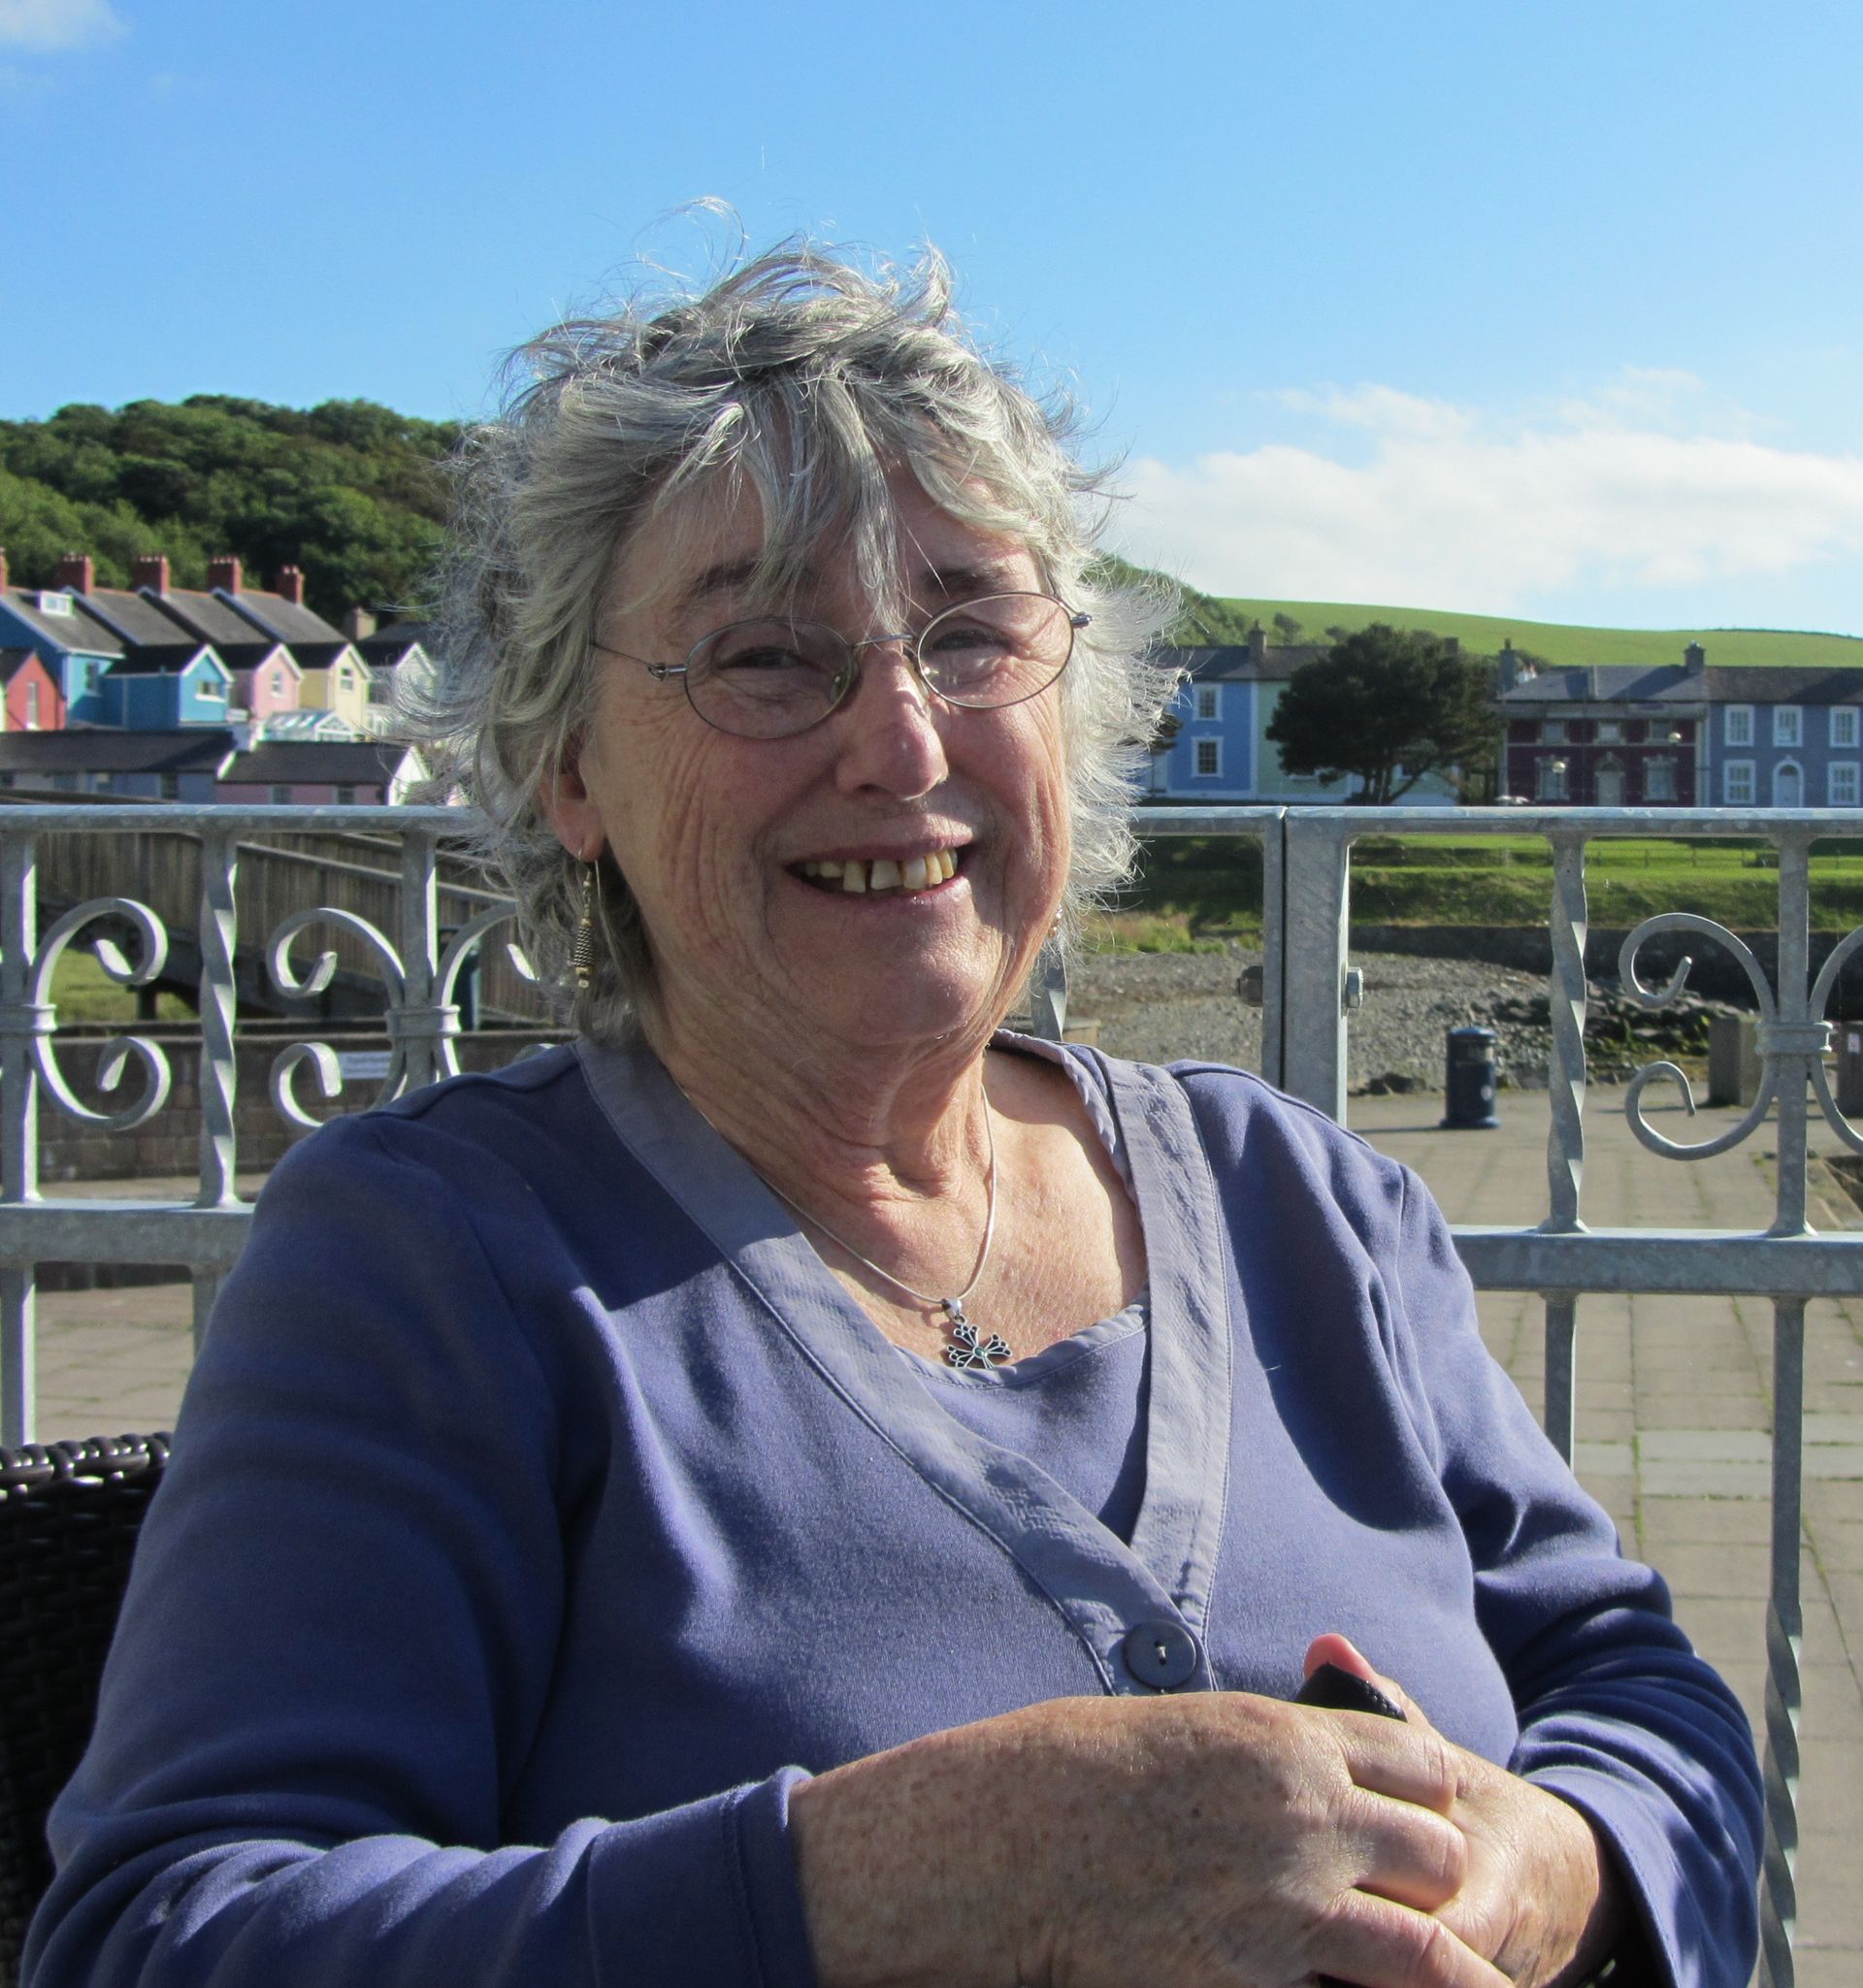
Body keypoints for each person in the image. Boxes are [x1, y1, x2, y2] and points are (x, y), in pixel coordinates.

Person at [27, 244, 1760, 1988]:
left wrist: (1540, 1869)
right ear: (569, 766)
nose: (904, 741)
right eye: (767, 655)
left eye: (972, 634)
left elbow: (1639, 1692)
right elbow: (167, 1934)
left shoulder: (1303, 1201)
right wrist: (893, 1877)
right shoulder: (435, 1260)